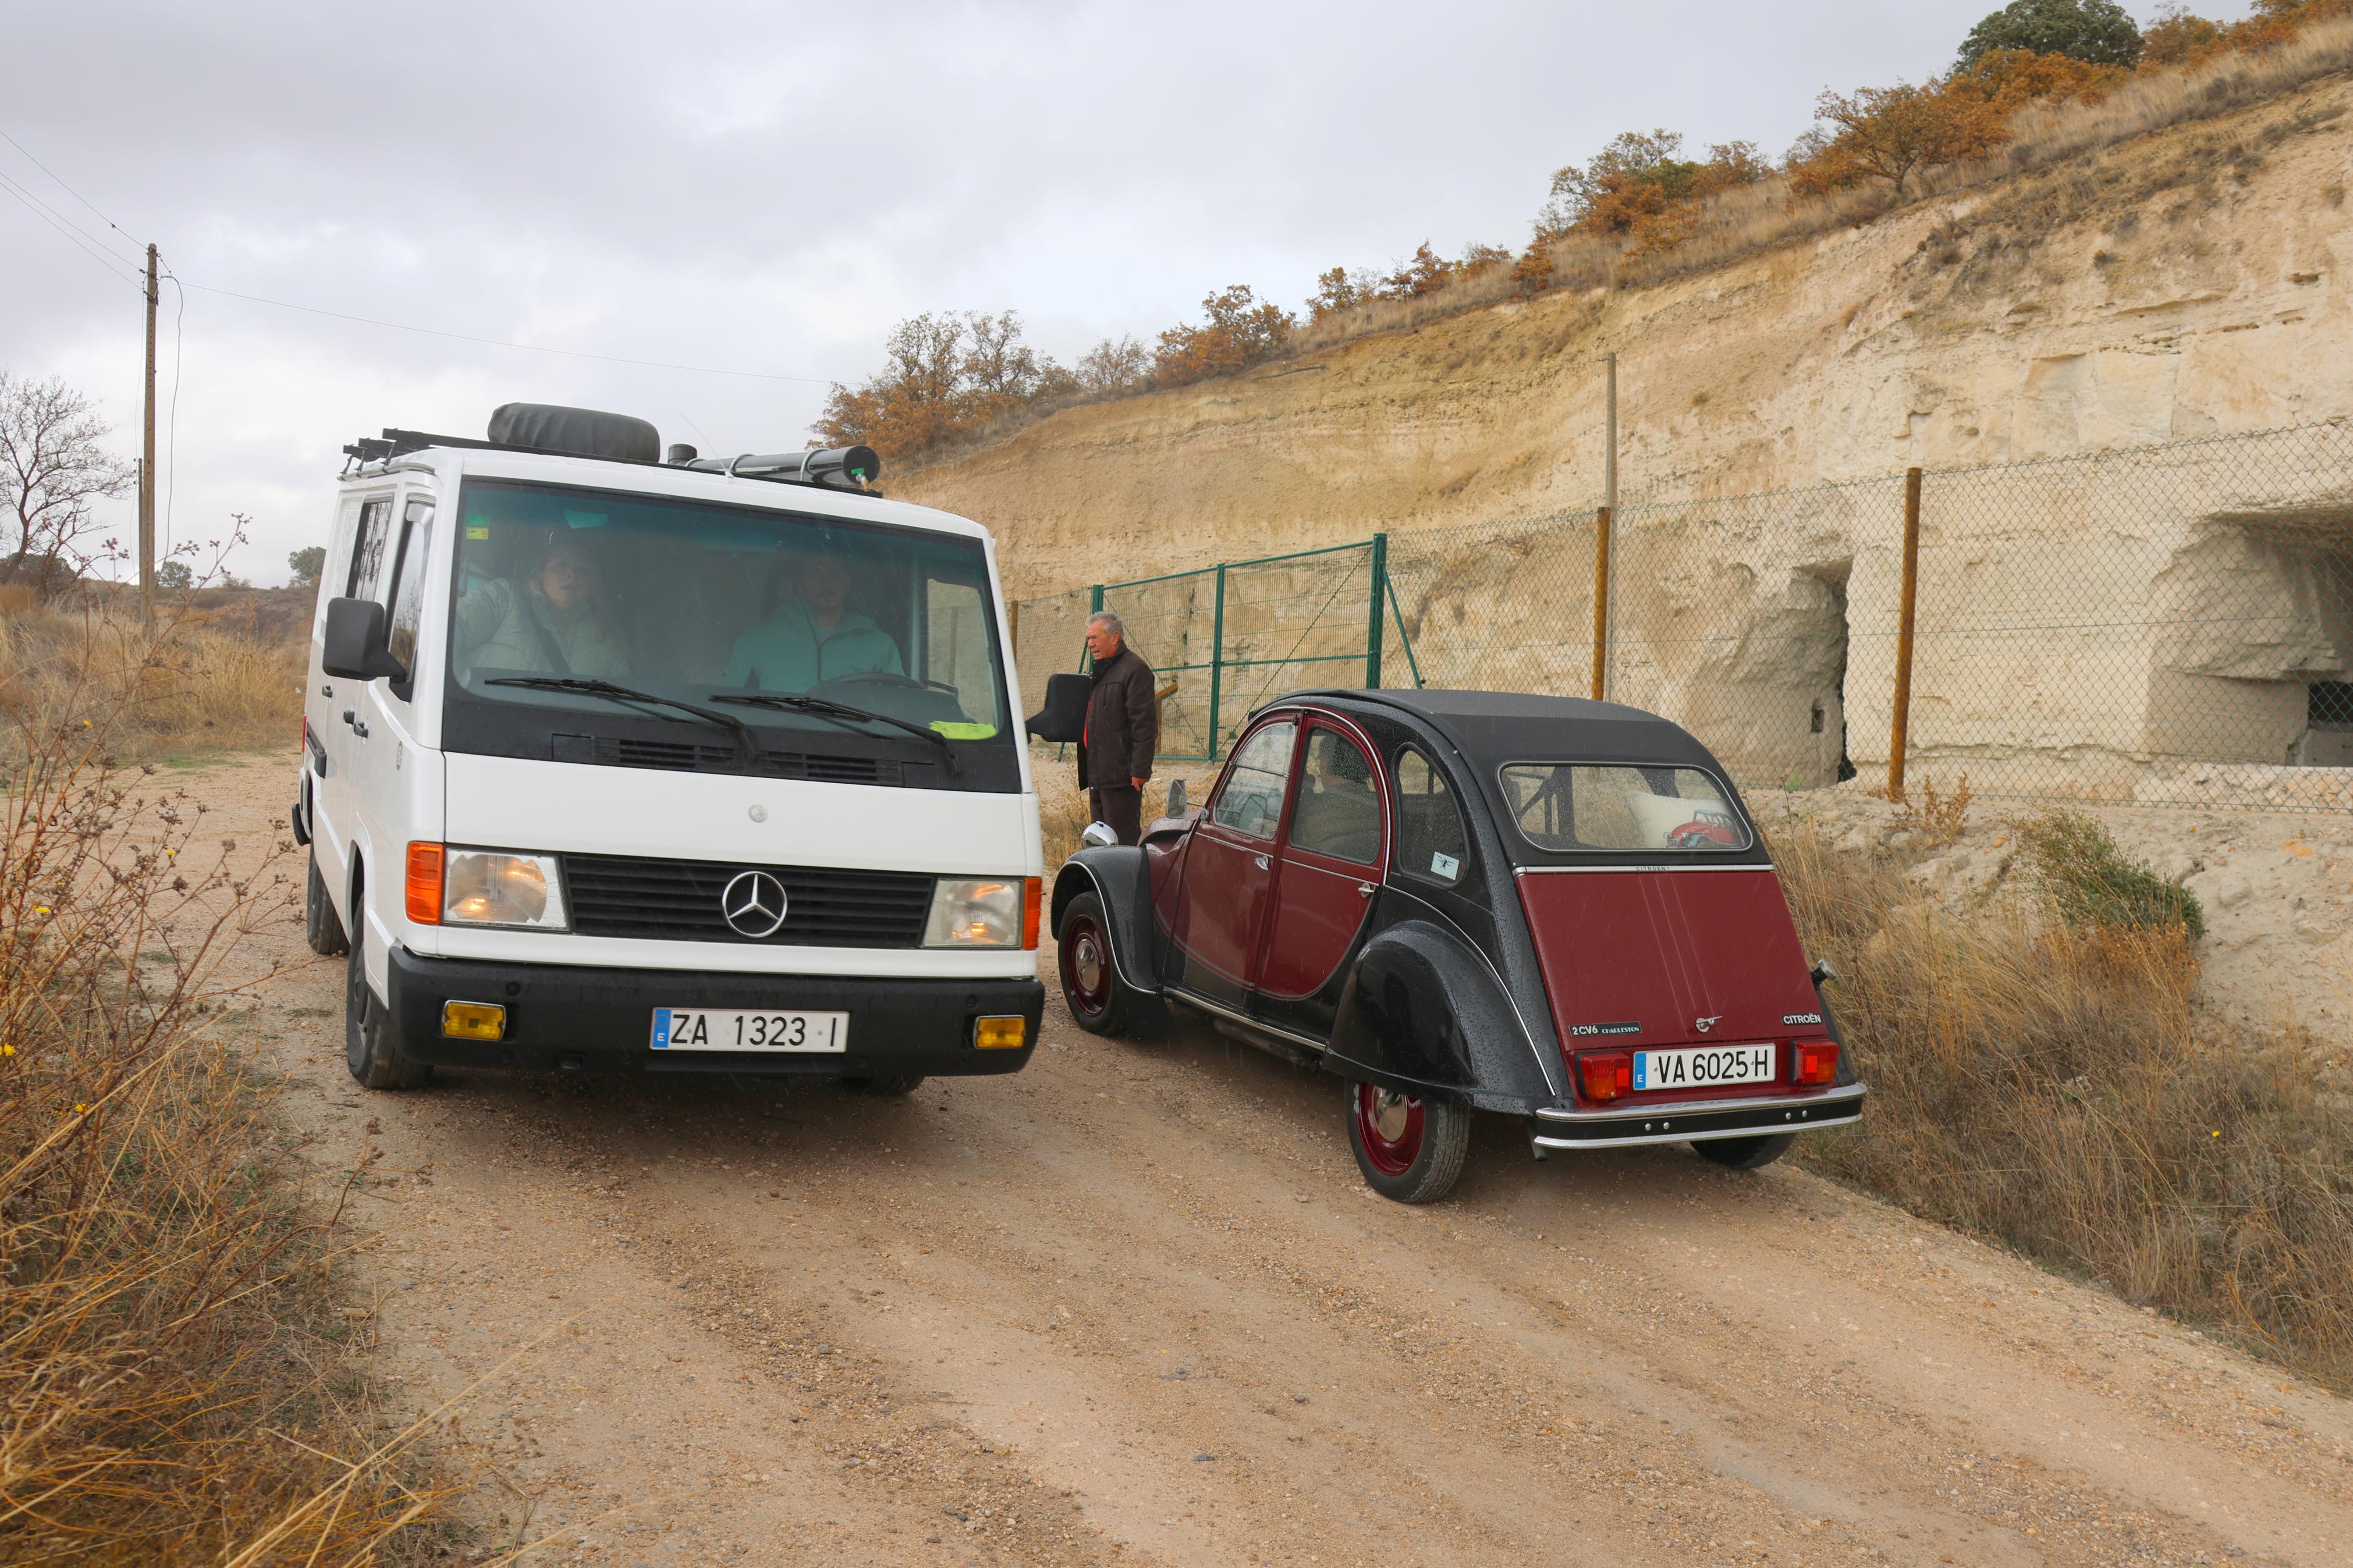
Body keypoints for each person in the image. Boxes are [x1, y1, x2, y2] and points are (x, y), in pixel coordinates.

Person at [725, 542, 902, 691]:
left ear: (847, 582)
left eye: (834, 573)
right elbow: (727, 704)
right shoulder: (755, 640)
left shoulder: (880, 645)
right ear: (801, 583)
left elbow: (897, 707)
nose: (826, 581)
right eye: (815, 573)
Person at [453, 535, 630, 681]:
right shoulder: (503, 597)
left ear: (592, 585)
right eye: (561, 566)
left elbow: (620, 697)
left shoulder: (606, 637)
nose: (572, 574)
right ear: (540, 574)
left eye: (583, 570)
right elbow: (450, 633)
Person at [1076, 611, 1158, 845]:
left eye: (1095, 638)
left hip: (1122, 777)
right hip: (1099, 774)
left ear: (1114, 637)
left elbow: (1144, 724)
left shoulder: (1135, 669)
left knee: (1123, 841)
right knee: (1099, 840)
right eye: (1088, 639)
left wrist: (1140, 769)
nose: (1090, 644)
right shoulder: (1102, 672)